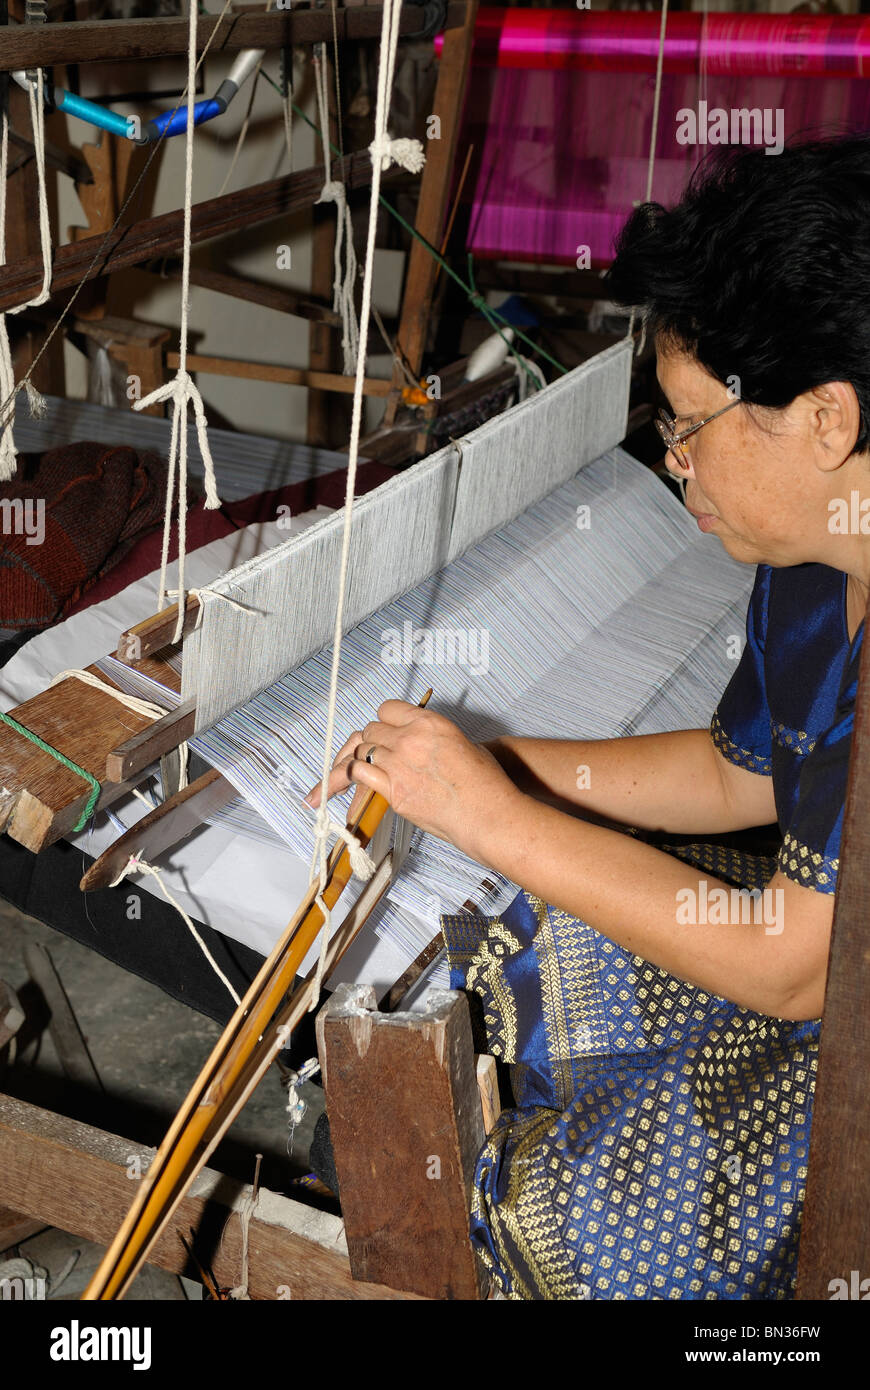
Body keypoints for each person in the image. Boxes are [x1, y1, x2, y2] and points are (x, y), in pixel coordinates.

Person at [306, 135, 868, 1299]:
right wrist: (494, 769)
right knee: (563, 934)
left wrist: (494, 816)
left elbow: (793, 967)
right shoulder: (815, 566)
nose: (675, 467)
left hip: (843, 1027)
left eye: (689, 427)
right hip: (818, 964)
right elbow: (736, 777)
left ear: (825, 420)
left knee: (600, 1227)